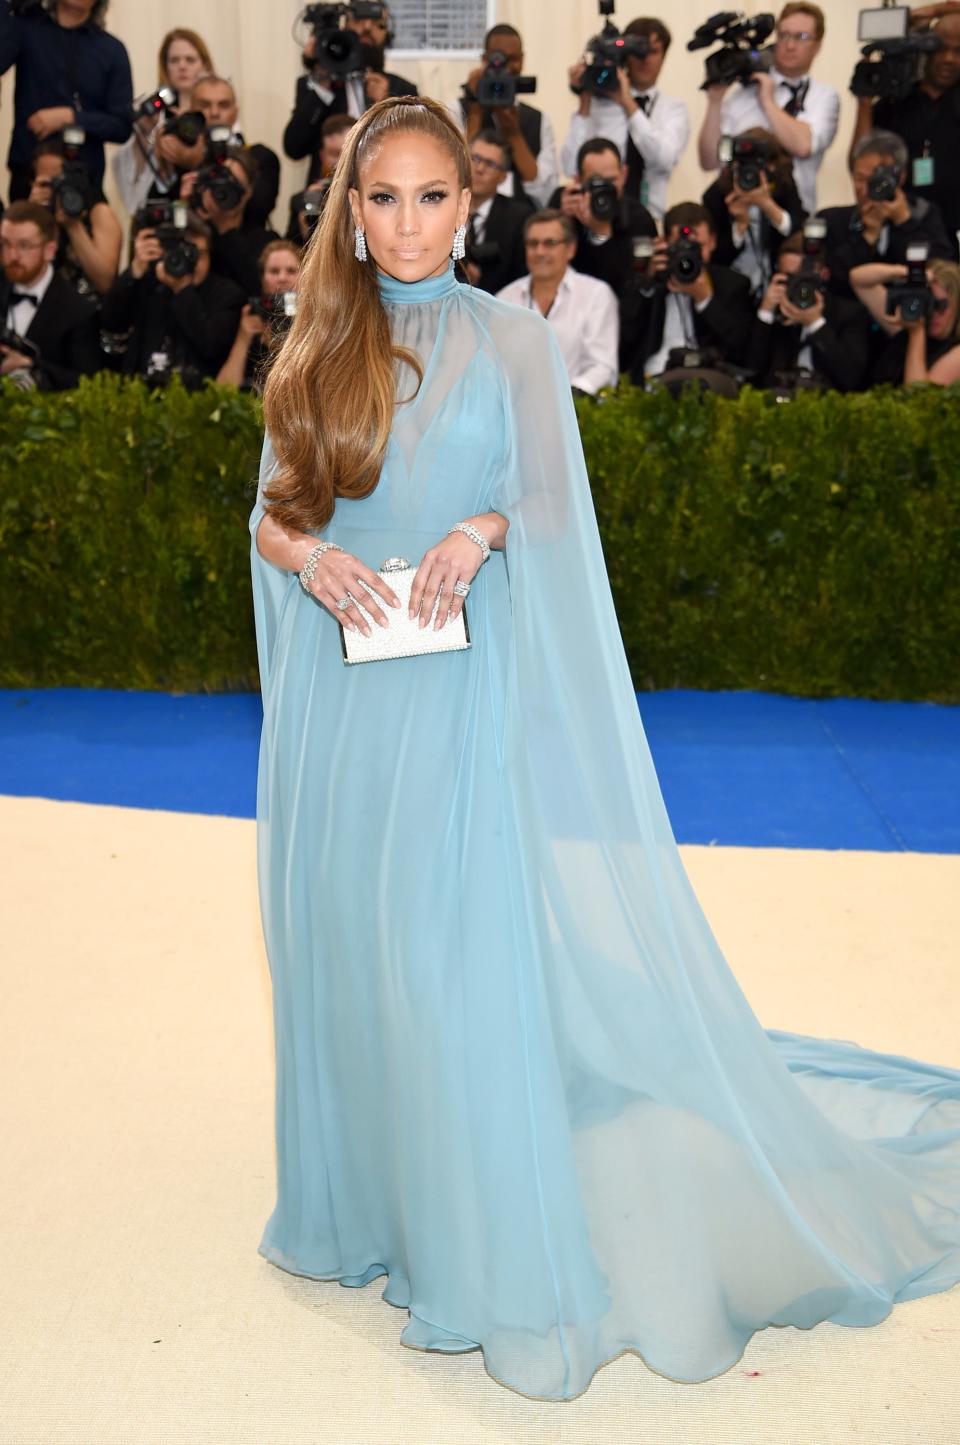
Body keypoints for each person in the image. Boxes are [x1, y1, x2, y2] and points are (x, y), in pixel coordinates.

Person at [248, 91, 960, 1402]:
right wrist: (316, 558)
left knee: (449, 948)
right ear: (352, 208)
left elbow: (544, 499)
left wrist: (478, 533)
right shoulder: (312, 350)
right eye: (384, 198)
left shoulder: (514, 340)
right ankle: (382, 1197)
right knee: (365, 949)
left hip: (462, 695)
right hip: (352, 709)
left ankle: (468, 1228)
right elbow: (273, 518)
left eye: (434, 198)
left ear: (473, 207)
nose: (408, 223)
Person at [698, 3, 839, 216]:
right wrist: (715, 101)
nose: (790, 45)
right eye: (784, 35)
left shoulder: (825, 97)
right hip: (738, 216)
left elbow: (803, 146)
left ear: (817, 46)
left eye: (801, 37)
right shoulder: (741, 95)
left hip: (792, 217)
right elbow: (709, 161)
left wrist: (768, 102)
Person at [849, 8, 960, 252]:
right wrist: (864, 103)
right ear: (924, 50)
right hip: (892, 224)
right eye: (940, 48)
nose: (949, 59)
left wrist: (937, 10)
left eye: (958, 51)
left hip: (949, 233)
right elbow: (858, 163)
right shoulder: (894, 104)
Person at [0, 0, 132, 201]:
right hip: (29, 175)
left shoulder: (111, 49)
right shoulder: (26, 29)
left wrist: (71, 118)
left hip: (84, 178)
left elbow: (122, 126)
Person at [561, 17, 689, 222]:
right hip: (596, 215)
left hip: (648, 219)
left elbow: (663, 160)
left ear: (664, 56)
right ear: (625, 56)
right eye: (638, 53)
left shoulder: (673, 109)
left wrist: (629, 105)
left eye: (653, 52)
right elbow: (570, 167)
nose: (645, 59)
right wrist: (585, 102)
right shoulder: (598, 106)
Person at [99, 211, 243, 386]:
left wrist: (182, 289)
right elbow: (111, 320)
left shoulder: (227, 294)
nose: (192, 262)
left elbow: (211, 345)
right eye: (184, 253)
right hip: (141, 393)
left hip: (199, 398)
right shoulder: (151, 285)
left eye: (199, 254)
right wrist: (135, 269)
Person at [622, 202, 755, 383]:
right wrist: (648, 283)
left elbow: (742, 349)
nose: (688, 257)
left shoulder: (732, 284)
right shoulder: (650, 281)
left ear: (713, 242)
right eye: (680, 247)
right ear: (664, 243)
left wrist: (705, 299)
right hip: (653, 377)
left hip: (708, 379)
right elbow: (625, 339)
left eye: (696, 247)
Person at [282, 0, 416, 174]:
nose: (368, 27)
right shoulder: (315, 86)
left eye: (377, 23)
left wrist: (385, 104)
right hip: (328, 191)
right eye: (359, 20)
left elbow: (411, 149)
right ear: (345, 26)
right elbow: (294, 148)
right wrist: (322, 87)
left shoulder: (402, 88)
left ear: (387, 34)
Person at [818, 130, 954, 301]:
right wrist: (868, 236)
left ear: (901, 177)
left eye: (875, 180)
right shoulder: (833, 219)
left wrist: (904, 222)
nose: (866, 190)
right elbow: (832, 280)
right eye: (859, 178)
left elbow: (943, 274)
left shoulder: (925, 214)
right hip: (852, 318)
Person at [496, 210, 619, 395]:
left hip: (578, 411)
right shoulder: (505, 299)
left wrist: (566, 399)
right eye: (533, 244)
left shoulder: (595, 295)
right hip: (515, 413)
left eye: (550, 243)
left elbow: (603, 367)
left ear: (570, 249)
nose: (539, 252)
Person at [746, 231, 872, 390]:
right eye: (789, 277)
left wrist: (815, 323)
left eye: (802, 277)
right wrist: (765, 313)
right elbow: (751, 371)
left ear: (824, 274)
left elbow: (851, 377)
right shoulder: (777, 313)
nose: (798, 286)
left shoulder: (849, 313)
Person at [112, 28, 214, 219]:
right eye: (174, 60)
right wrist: (144, 134)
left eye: (190, 60)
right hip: (161, 212)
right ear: (165, 67)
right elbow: (132, 193)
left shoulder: (216, 108)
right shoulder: (155, 114)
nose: (182, 66)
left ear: (205, 65)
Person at [0, 200, 102, 388]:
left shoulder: (78, 311)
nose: (11, 256)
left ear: (49, 250)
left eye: (24, 246)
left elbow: (87, 383)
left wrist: (30, 366)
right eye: (5, 244)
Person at [456, 23, 558, 208]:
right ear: (484, 60)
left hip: (520, 223)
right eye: (497, 59)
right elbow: (454, 173)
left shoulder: (539, 120)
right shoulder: (458, 109)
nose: (505, 68)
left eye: (512, 59)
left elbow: (546, 194)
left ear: (522, 60)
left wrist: (514, 134)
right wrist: (475, 110)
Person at [701, 127, 808, 300]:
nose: (750, 174)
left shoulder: (783, 186)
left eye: (757, 166)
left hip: (778, 286)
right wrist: (739, 226)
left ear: (772, 166)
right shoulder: (717, 195)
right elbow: (714, 257)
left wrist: (768, 206)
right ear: (732, 166)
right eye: (742, 166)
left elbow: (799, 232)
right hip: (732, 289)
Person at [551, 137, 657, 301]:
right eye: (596, 182)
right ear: (578, 180)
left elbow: (636, 283)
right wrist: (561, 222)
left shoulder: (640, 219)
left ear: (623, 174)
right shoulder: (564, 202)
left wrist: (601, 233)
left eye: (610, 181)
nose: (604, 191)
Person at [29, 134, 122, 296]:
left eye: (60, 181)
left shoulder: (97, 212)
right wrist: (32, 216)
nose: (55, 190)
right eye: (47, 183)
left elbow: (106, 282)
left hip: (88, 311)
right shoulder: (30, 213)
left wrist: (74, 226)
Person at [185, 75, 280, 230]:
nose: (214, 112)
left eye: (223, 105)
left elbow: (258, 211)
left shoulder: (260, 157)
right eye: (204, 105)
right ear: (191, 111)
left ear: (235, 113)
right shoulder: (180, 157)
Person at [182, 149, 279, 298]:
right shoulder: (194, 235)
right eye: (221, 178)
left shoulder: (265, 242)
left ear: (248, 193)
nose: (223, 189)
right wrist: (184, 209)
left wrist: (226, 228)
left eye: (234, 184)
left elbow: (259, 287)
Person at [849, 255, 960, 384]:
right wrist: (909, 273)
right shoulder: (904, 326)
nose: (933, 313)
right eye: (927, 303)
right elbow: (858, 279)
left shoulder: (956, 351)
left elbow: (919, 398)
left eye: (940, 305)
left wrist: (916, 333)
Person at [217, 238, 301, 390]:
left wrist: (279, 348)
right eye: (274, 271)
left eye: (291, 271)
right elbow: (224, 391)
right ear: (262, 279)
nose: (282, 278)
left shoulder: (317, 318)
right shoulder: (251, 316)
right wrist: (243, 339)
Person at [462, 131, 531, 294]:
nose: (479, 169)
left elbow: (522, 278)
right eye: (475, 159)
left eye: (490, 164)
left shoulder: (519, 218)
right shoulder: (443, 205)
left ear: (503, 177)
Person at [286, 114, 354, 242]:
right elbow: (292, 253)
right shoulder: (303, 201)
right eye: (334, 154)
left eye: (348, 153)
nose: (341, 162)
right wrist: (305, 229)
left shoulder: (376, 195)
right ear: (322, 156)